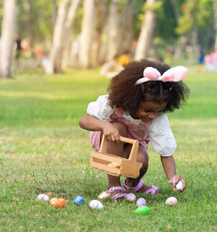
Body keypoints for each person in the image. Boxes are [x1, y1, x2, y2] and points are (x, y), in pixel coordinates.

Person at [79, 59, 190, 200]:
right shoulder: (113, 103)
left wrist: (172, 176)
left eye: (159, 110)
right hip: (107, 142)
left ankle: (133, 185)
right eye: (147, 110)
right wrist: (105, 126)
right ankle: (113, 185)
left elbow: (166, 153)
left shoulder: (158, 119)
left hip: (132, 145)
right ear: (133, 99)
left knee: (142, 158)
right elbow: (84, 121)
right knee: (119, 128)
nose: (152, 115)